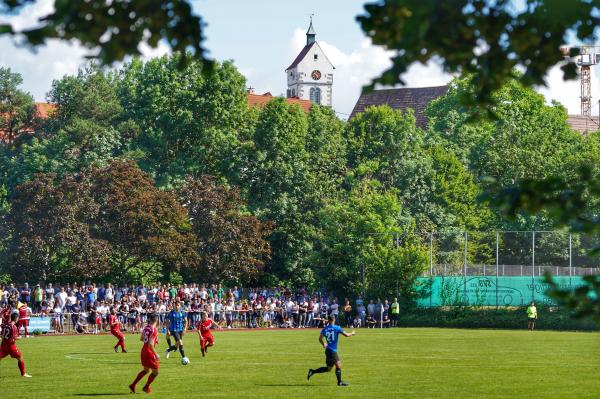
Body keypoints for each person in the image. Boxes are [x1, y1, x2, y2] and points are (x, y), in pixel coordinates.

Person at [306, 315, 355, 386]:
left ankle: (312, 371)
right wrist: (352, 333)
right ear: (334, 320)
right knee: (338, 365)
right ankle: (339, 382)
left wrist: (323, 344)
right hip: (332, 351)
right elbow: (347, 335)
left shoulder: (325, 329)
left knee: (329, 369)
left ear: (328, 320)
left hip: (328, 350)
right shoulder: (337, 328)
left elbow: (320, 338)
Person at [129, 313, 160, 394]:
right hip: (149, 353)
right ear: (157, 320)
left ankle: (133, 385)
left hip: (143, 351)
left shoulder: (146, 328)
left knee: (146, 370)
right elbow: (150, 344)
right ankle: (146, 387)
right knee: (155, 372)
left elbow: (142, 338)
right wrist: (156, 354)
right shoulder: (154, 330)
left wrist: (154, 340)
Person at [0, 312, 32, 377]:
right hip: (10, 346)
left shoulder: (6, 324)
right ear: (16, 319)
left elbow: (2, 334)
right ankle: (23, 374)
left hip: (3, 345)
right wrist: (20, 337)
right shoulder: (13, 326)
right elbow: (14, 337)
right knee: (20, 357)